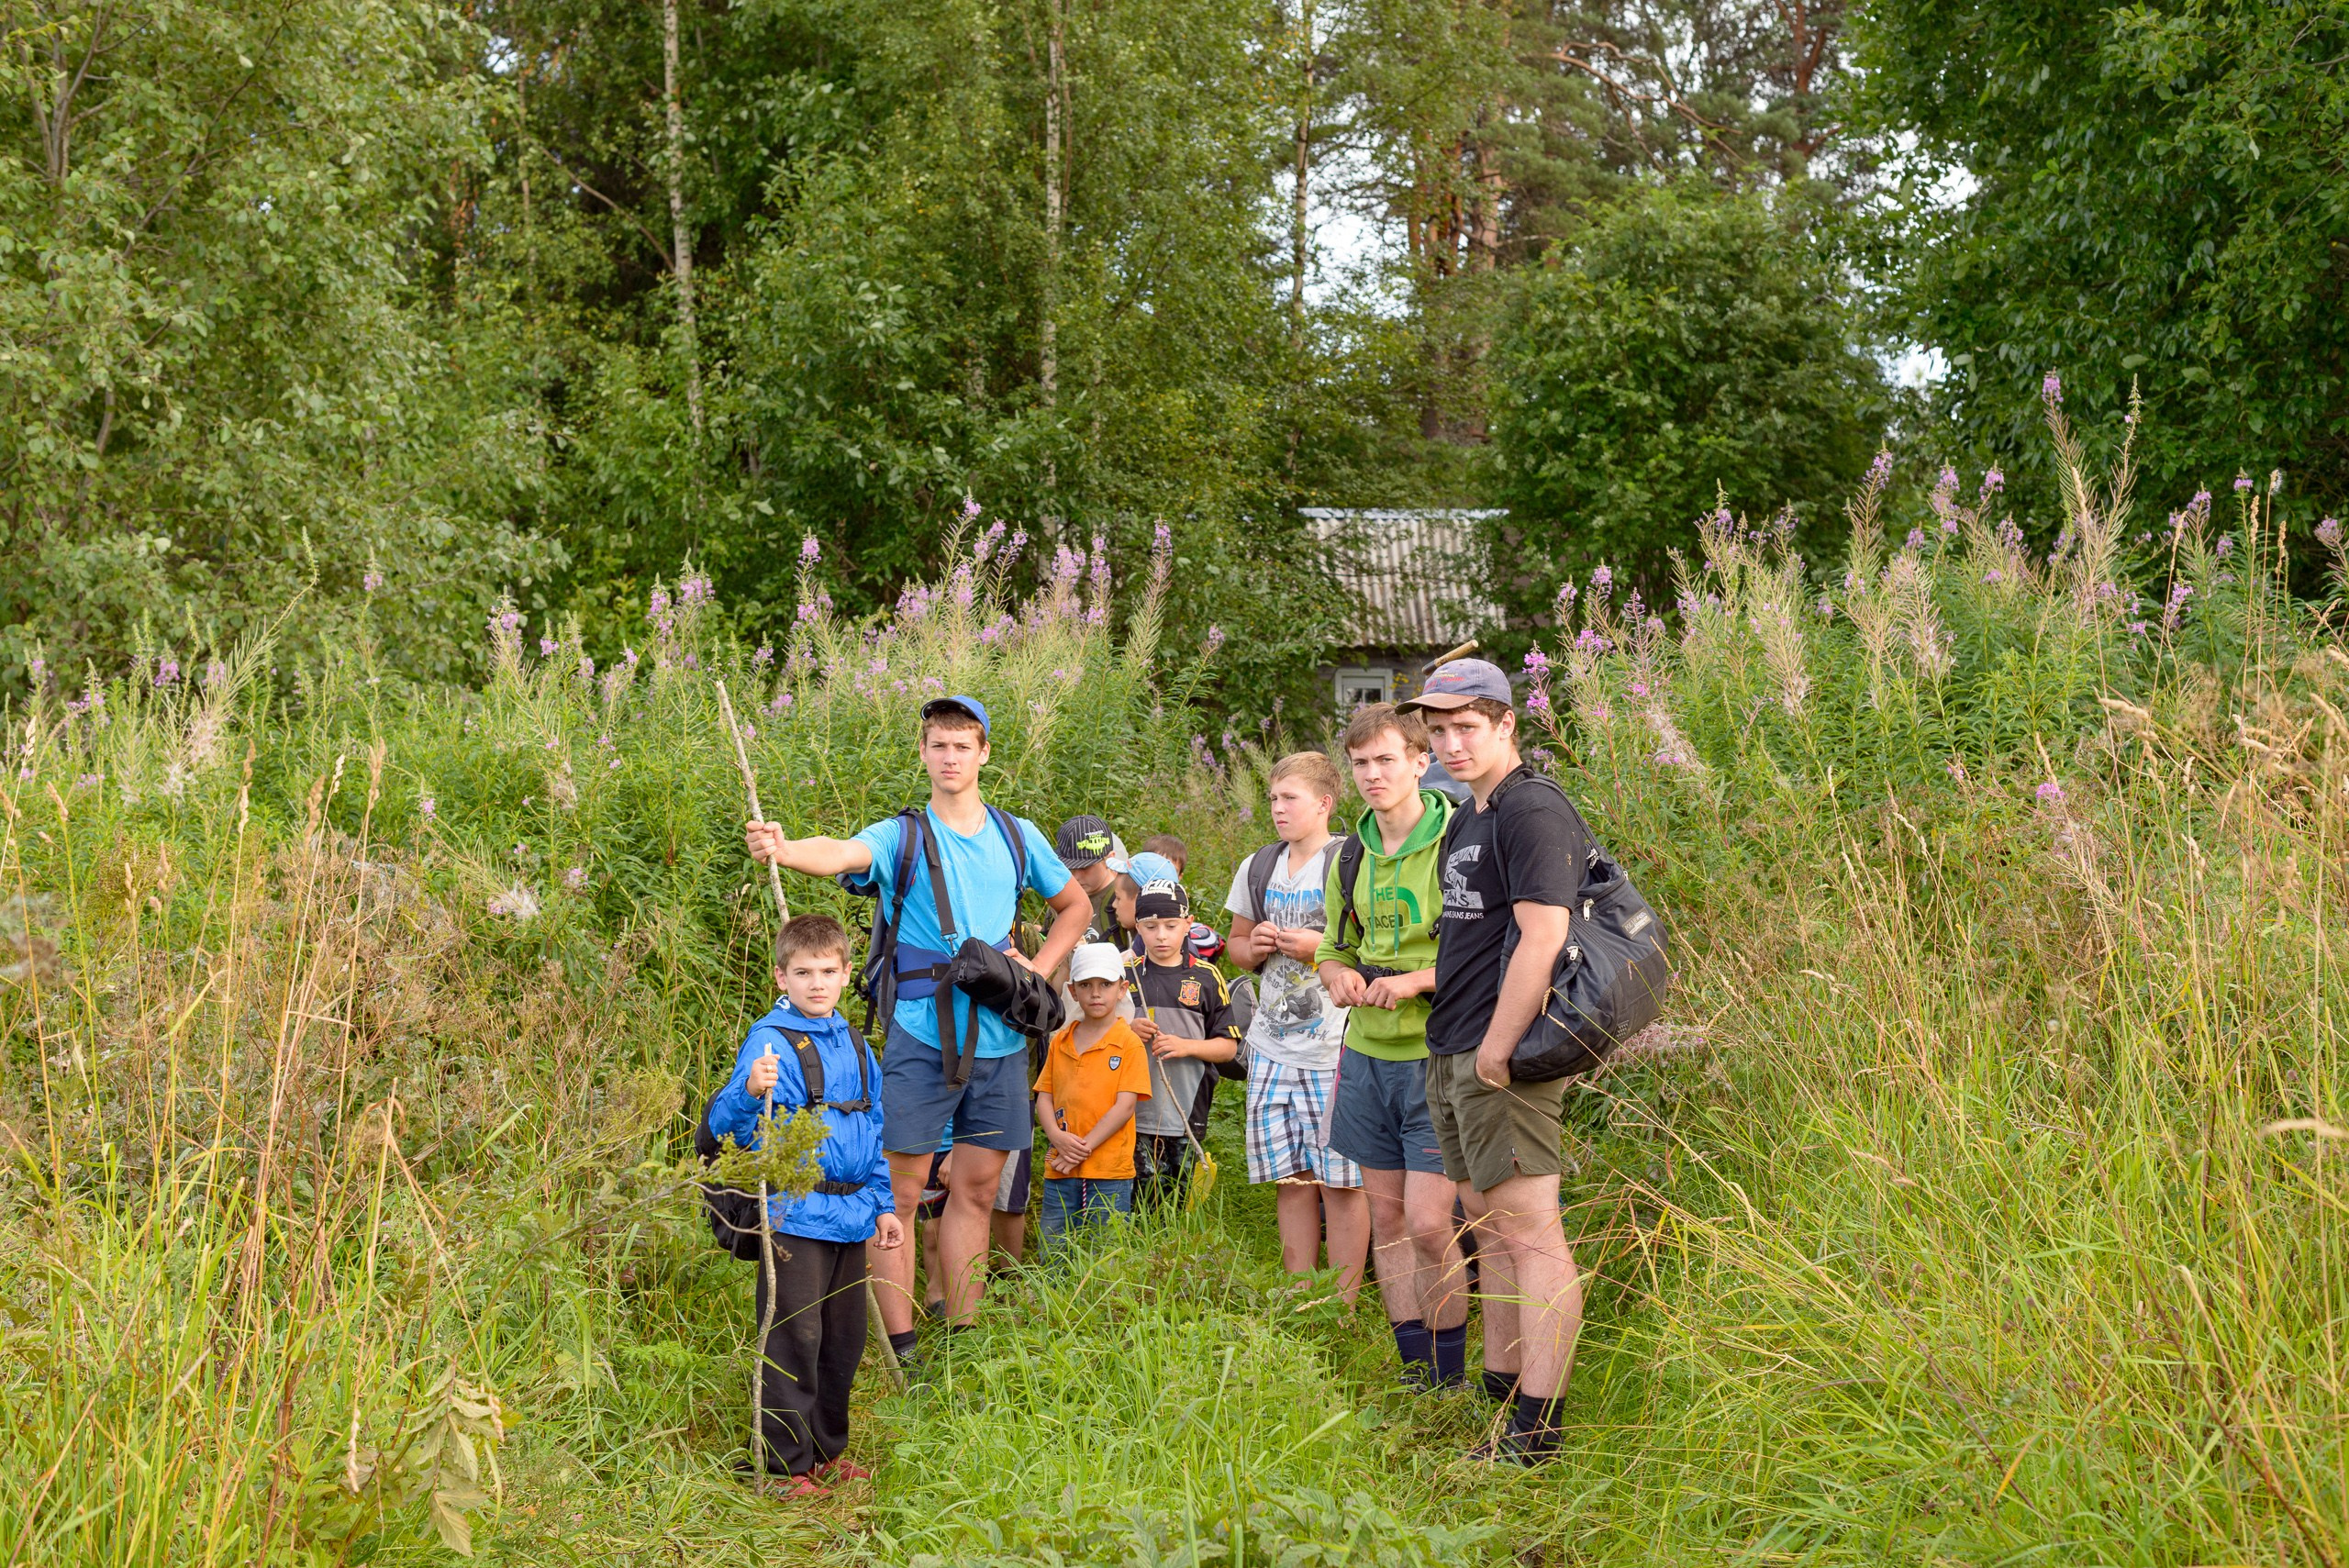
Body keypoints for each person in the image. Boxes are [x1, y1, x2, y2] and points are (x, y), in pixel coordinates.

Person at [744, 695, 1091, 1371]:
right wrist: (784, 849)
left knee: (978, 1191)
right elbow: (842, 850)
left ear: (985, 752)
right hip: (919, 1035)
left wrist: (1040, 970)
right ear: (925, 753)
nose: (951, 756)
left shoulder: (1017, 835)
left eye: (964, 745)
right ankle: (903, 1351)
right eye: (939, 745)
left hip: (999, 1039)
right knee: (898, 1193)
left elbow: (1073, 904)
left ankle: (962, 1340)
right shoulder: (901, 835)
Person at [1404, 659, 1594, 1464]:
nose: (1449, 743)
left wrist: (1495, 1048)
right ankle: (1503, 1400)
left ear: (1507, 724)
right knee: (1491, 1228)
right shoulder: (1469, 813)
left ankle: (1537, 1436)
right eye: (1438, 730)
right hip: (1454, 1047)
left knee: (1532, 1234)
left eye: (1465, 727)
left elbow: (1545, 937)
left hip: (1498, 1055)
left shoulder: (1532, 808)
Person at [706, 914, 903, 1495]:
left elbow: (873, 1134)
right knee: (796, 1337)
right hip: (795, 1214)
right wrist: (747, 1092)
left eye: (827, 971)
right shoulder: (769, 1042)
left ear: (846, 974)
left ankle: (824, 1452)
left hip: (850, 1217)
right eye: (802, 973)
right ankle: (782, 1464)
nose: (816, 983)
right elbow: (727, 1128)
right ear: (781, 977)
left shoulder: (860, 1046)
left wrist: (883, 1206)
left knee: (844, 1340)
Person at [1313, 703, 1467, 1388]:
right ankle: (1416, 1371)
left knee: (1434, 1224)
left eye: (1385, 760)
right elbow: (1330, 948)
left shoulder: (1457, 842)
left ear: (1418, 761)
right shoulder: (1349, 854)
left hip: (1434, 1057)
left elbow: (1483, 954)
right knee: (1389, 1216)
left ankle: (1453, 1369)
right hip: (1367, 1055)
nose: (1373, 774)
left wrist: (1411, 982)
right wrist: (1340, 975)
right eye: (1361, 763)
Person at [1222, 751, 1369, 1299]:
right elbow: (1235, 948)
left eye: (1291, 799)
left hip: (1335, 1047)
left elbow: (1377, 951)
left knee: (1342, 1183)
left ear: (1325, 804)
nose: (1278, 810)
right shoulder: (1258, 865)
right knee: (1291, 1180)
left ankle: (1343, 1302)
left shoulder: (1351, 861)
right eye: (1273, 799)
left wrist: (1320, 949)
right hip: (1269, 1046)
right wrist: (1252, 945)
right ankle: (1301, 1296)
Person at [1125, 874, 1243, 1208]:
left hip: (1185, 1110)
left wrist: (1186, 1046)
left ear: (1188, 924)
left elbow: (1228, 1047)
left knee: (1175, 1204)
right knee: (1134, 1202)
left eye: (1171, 925)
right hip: (1130, 1112)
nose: (1161, 935)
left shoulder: (1206, 976)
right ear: (1137, 927)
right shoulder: (1126, 975)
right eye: (1150, 926)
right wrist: (1127, 1029)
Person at [1032, 941, 1153, 1250]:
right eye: (1086, 985)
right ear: (1073, 992)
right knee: (1055, 1243)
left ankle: (1104, 1298)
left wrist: (1083, 1148)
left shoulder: (1129, 1044)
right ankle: (1055, 1296)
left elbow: (1124, 1107)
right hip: (1061, 1165)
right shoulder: (1061, 1041)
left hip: (1109, 1168)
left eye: (1105, 985)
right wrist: (1057, 1138)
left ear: (1122, 988)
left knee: (1106, 1248)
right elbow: (1044, 1096)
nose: (1096, 993)